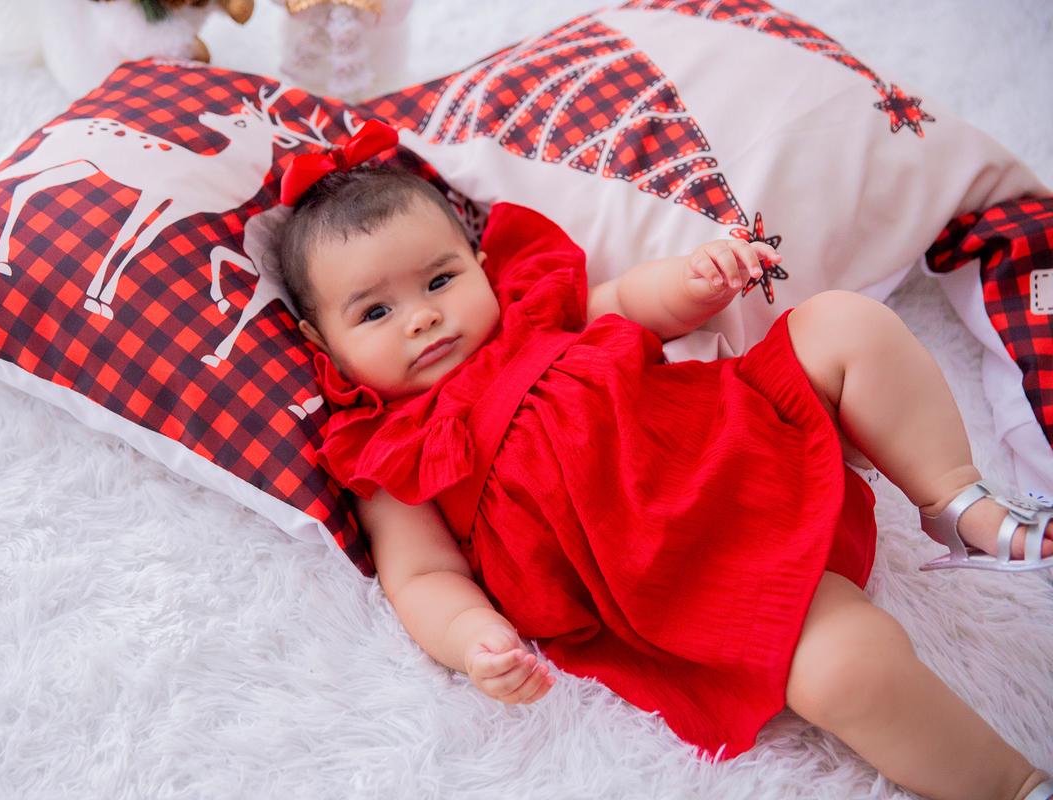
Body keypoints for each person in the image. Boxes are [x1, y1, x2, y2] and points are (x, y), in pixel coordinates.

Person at [274, 122, 1053, 800]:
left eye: (441, 279)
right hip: (693, 581)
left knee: (845, 324)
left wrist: (693, 281)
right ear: (320, 343)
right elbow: (420, 576)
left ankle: (958, 501)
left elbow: (630, 305)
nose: (425, 317)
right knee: (844, 670)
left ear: (478, 262)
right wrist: (474, 637)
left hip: (745, 432)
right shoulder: (387, 452)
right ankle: (1014, 784)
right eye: (375, 312)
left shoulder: (535, 310)